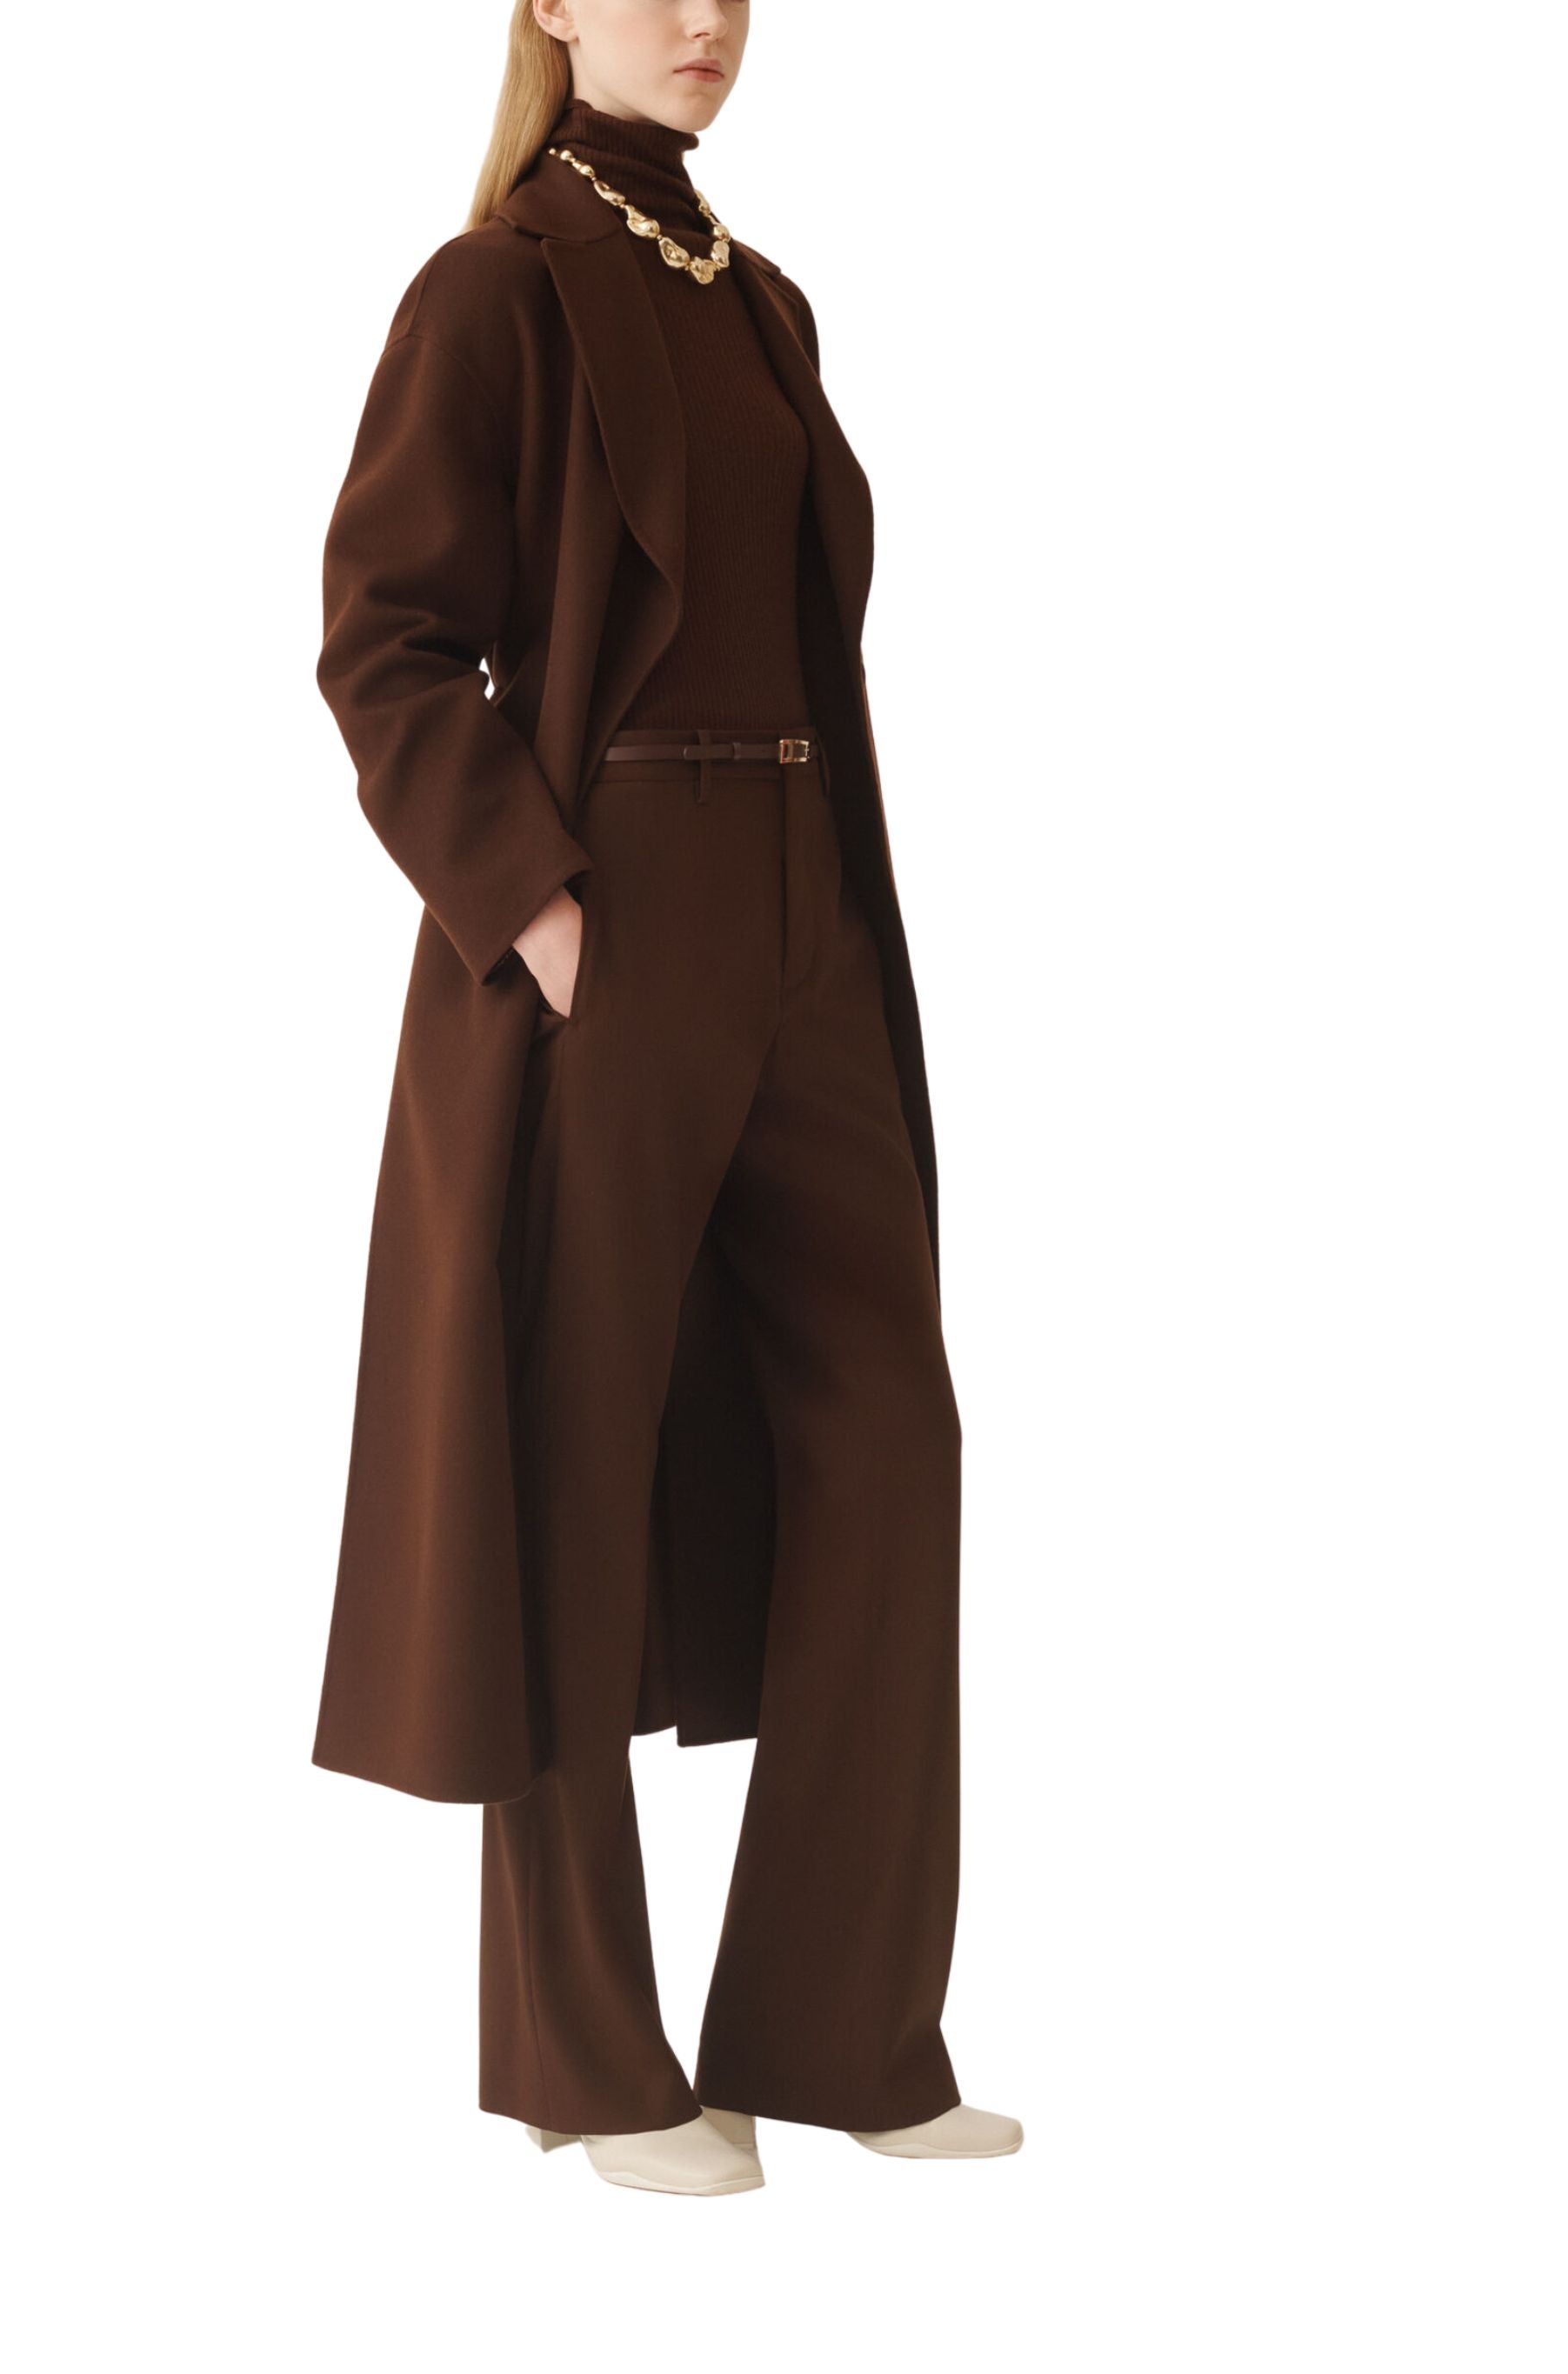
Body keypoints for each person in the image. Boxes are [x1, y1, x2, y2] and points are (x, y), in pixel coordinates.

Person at [310, 0, 1024, 2197]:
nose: (706, 19)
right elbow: (381, 635)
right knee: (569, 1454)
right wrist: (534, 905)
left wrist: (822, 919)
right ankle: (590, 2060)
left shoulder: (764, 298)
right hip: (607, 907)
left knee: (885, 1436)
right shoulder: (494, 288)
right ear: (547, 3)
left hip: (807, 903)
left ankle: (840, 2027)